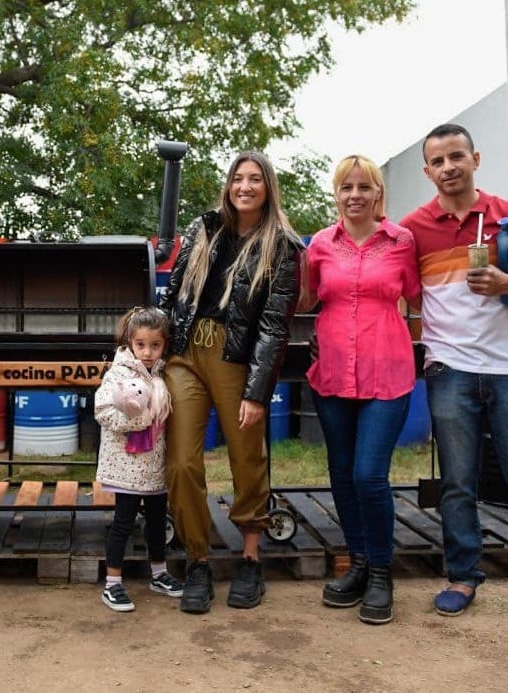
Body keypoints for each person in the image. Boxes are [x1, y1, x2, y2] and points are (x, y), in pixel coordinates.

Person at [402, 123, 508, 627]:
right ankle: (461, 576)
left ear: (475, 158)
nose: (449, 167)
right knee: (457, 484)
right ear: (427, 170)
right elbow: (403, 291)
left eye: (458, 156)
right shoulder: (414, 228)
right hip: (450, 370)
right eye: (438, 161)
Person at [159, 150, 303, 614]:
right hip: (186, 354)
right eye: (238, 178)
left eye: (255, 179)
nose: (245, 186)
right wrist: (154, 353)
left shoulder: (280, 244)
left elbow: (275, 323)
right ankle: (198, 560)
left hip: (235, 356)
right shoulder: (204, 228)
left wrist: (258, 392)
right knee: (181, 462)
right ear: (228, 184)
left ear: (268, 187)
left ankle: (250, 558)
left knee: (247, 457)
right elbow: (175, 293)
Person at [299, 155, 421, 625]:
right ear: (337, 194)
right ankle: (360, 564)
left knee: (370, 474)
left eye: (363, 187)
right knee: (343, 473)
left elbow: (418, 298)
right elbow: (307, 300)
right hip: (331, 373)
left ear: (378, 194)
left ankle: (383, 572)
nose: (354, 195)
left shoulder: (402, 241)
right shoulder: (320, 246)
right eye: (346, 187)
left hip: (386, 372)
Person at [93, 306, 184, 612]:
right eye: (141, 345)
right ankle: (113, 583)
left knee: (158, 520)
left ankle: (159, 573)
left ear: (164, 345)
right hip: (127, 466)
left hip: (155, 465)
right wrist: (141, 418)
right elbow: (103, 411)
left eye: (155, 345)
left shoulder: (163, 373)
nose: (147, 352)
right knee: (123, 522)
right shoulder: (118, 373)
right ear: (130, 342)